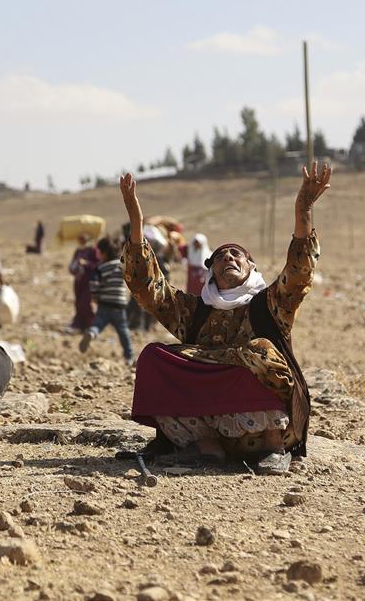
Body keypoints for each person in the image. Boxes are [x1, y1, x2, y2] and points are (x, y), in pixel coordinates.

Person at [119, 163, 330, 476]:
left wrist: (304, 209)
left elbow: (299, 274)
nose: (228, 259)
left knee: (259, 350)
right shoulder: (194, 310)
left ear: (250, 267)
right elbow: (147, 288)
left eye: (236, 255)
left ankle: (274, 448)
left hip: (260, 431)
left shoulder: (270, 304)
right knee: (154, 356)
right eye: (220, 257)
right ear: (211, 270)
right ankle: (207, 448)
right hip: (209, 426)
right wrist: (136, 222)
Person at [79, 237, 133, 363]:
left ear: (103, 253)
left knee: (97, 325)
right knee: (123, 330)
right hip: (119, 305)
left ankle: (92, 333)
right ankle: (129, 357)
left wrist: (95, 298)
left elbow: (93, 284)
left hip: (104, 304)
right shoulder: (123, 266)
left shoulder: (100, 267)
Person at [69, 233, 100, 331]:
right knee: (78, 303)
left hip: (89, 281)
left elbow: (97, 265)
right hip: (78, 281)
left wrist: (86, 263)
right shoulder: (78, 251)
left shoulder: (93, 250)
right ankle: (79, 324)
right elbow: (72, 264)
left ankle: (90, 325)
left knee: (85, 303)